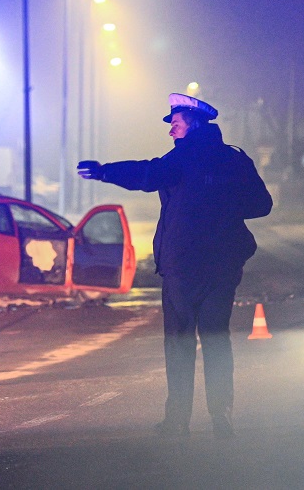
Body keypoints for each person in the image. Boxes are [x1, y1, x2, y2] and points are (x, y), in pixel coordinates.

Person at [77, 93, 272, 438]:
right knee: (216, 339)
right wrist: (223, 206)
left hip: (184, 266)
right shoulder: (234, 159)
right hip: (224, 266)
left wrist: (104, 172)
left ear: (193, 123)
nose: (171, 131)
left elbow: (147, 173)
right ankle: (222, 417)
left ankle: (178, 420)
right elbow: (261, 204)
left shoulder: (182, 158)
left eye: (176, 124)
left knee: (180, 342)